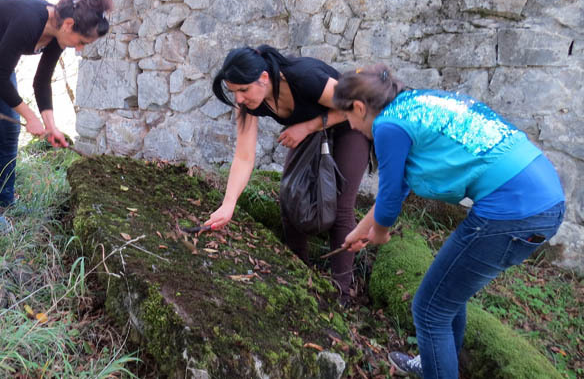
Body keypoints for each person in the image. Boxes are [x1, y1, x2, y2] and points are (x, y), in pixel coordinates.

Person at [334, 65, 565, 378]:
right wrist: (360, 231)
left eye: (347, 116)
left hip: (511, 211)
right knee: (446, 297)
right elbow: (398, 188)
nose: (349, 125)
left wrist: (381, 233)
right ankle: (435, 364)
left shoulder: (387, 125)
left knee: (429, 309)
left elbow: (388, 201)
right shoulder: (414, 104)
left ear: (359, 108)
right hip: (545, 201)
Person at [204, 45, 371, 302]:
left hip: (350, 125)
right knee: (290, 195)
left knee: (340, 206)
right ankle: (300, 276)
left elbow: (358, 106)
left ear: (263, 78)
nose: (239, 99)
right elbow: (244, 156)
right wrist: (229, 204)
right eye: (233, 91)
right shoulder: (248, 103)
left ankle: (342, 293)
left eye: (243, 90)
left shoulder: (304, 76)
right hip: (308, 131)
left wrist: (308, 127)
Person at [0, 0, 112, 232]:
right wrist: (30, 117)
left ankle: (5, 201)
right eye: (82, 41)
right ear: (69, 24)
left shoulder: (59, 33)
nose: (80, 49)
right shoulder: (28, 21)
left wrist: (51, 126)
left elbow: (41, 81)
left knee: (9, 131)